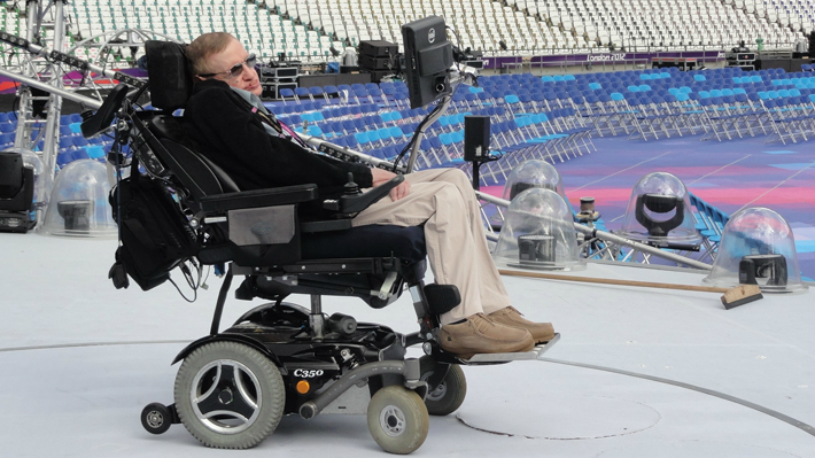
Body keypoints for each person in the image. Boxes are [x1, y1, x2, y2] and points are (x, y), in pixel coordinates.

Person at [182, 32, 555, 359]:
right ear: (204, 79)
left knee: (454, 178)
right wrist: (361, 175)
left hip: (315, 197)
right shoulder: (213, 102)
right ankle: (461, 322)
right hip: (300, 213)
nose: (249, 73)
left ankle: (492, 307)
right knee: (443, 197)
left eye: (248, 62)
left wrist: (357, 176)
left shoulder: (230, 102)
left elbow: (286, 158)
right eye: (234, 70)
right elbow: (279, 163)